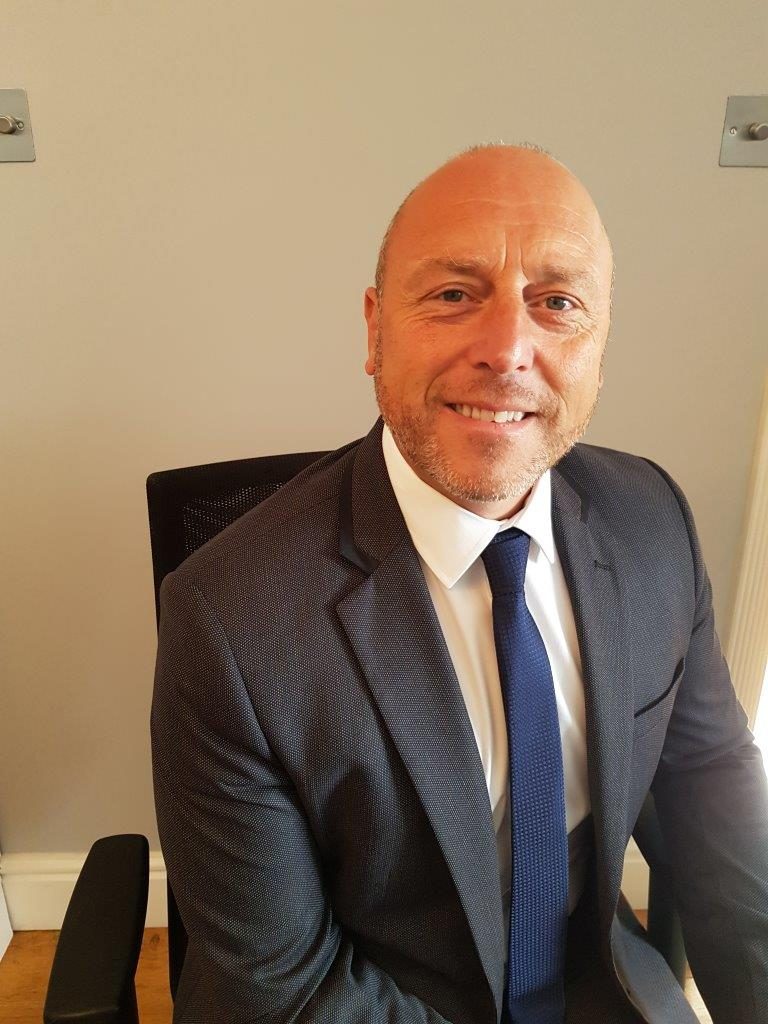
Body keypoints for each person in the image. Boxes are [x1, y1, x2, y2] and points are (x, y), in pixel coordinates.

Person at [151, 144, 768, 1024]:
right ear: (375, 331)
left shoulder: (652, 520)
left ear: (600, 344)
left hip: (599, 980)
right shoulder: (227, 621)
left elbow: (711, 785)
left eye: (557, 303)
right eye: (452, 294)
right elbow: (286, 986)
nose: (508, 350)